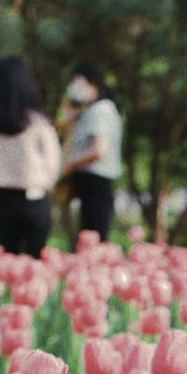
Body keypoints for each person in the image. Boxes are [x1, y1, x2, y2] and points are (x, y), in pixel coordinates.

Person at [0, 56, 61, 257]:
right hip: (35, 195)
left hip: (3, 197)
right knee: (36, 262)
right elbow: (53, 159)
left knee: (8, 261)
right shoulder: (38, 120)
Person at [60, 62, 122, 243]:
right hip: (90, 185)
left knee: (94, 240)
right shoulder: (91, 110)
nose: (72, 87)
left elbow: (99, 149)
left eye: (76, 82)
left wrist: (70, 163)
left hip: (96, 184)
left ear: (93, 83)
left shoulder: (101, 110)